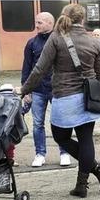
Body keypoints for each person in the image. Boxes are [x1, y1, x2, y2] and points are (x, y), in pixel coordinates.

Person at [19, 3, 100, 198]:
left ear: (64, 17)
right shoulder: (93, 41)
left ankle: (89, 177)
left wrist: (24, 89)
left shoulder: (56, 38)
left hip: (64, 96)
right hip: (88, 98)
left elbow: (40, 69)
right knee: (86, 139)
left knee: (61, 137)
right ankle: (85, 180)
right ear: (83, 20)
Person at [21, 12, 71, 168]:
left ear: (50, 23)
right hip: (37, 90)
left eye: (40, 23)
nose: (36, 26)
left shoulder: (60, 40)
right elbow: (27, 67)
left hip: (57, 90)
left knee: (61, 122)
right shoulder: (31, 44)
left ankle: (64, 152)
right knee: (37, 123)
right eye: (36, 22)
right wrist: (25, 90)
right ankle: (40, 154)